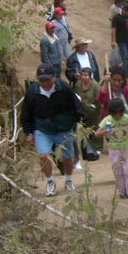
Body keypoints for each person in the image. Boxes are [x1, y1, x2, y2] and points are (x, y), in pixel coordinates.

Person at [20, 63, 85, 196]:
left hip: (63, 127)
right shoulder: (33, 91)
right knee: (44, 155)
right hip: (42, 128)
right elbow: (26, 113)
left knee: (67, 158)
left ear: (54, 78)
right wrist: (29, 133)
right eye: (41, 80)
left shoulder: (64, 87)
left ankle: (68, 179)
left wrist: (80, 120)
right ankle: (50, 181)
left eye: (47, 80)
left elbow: (76, 105)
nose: (45, 83)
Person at [96, 99, 128, 199]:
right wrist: (104, 132)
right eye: (114, 114)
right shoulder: (107, 120)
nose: (117, 116)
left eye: (119, 114)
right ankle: (122, 191)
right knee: (118, 171)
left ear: (122, 112)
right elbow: (97, 133)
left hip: (127, 147)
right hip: (114, 149)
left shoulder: (127, 118)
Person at [95, 66, 128, 135]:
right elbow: (100, 100)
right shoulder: (107, 91)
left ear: (123, 80)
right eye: (114, 80)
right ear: (110, 79)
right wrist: (106, 82)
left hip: (127, 131)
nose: (116, 83)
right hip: (110, 132)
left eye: (119, 80)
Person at [111, 3, 128, 79]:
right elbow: (113, 30)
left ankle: (127, 71)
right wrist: (113, 41)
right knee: (125, 57)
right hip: (121, 40)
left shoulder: (127, 17)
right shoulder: (116, 18)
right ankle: (127, 75)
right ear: (124, 10)